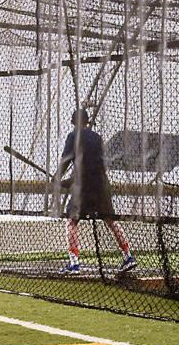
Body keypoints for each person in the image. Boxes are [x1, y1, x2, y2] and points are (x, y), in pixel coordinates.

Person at [57, 109, 136, 275]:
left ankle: (74, 263)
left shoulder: (73, 136)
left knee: (71, 221)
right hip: (101, 185)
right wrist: (70, 181)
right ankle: (128, 256)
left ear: (74, 123)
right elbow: (92, 164)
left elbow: (66, 161)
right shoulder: (97, 137)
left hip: (83, 188)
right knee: (110, 220)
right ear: (87, 121)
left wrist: (58, 178)